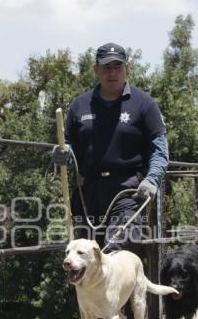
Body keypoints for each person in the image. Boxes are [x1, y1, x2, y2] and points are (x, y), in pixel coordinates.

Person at [53, 42, 169, 254]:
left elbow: (160, 150)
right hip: (87, 195)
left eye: (118, 66)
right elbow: (67, 145)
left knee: (114, 251)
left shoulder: (144, 104)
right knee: (84, 261)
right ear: (96, 69)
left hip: (127, 193)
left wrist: (152, 179)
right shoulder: (80, 105)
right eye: (106, 67)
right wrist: (63, 153)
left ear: (127, 68)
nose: (112, 72)